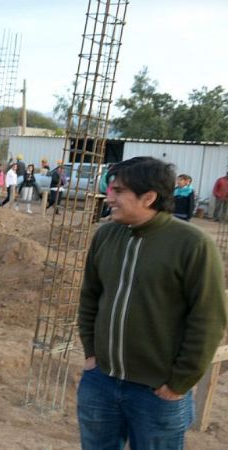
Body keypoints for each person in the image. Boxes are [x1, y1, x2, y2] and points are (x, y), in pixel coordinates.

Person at [77, 157, 227, 450]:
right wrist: (91, 354)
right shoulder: (106, 235)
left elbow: (208, 320)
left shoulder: (193, 245)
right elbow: (90, 296)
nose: (109, 197)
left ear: (148, 197)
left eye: (119, 191)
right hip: (101, 382)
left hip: (157, 392)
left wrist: (178, 383)